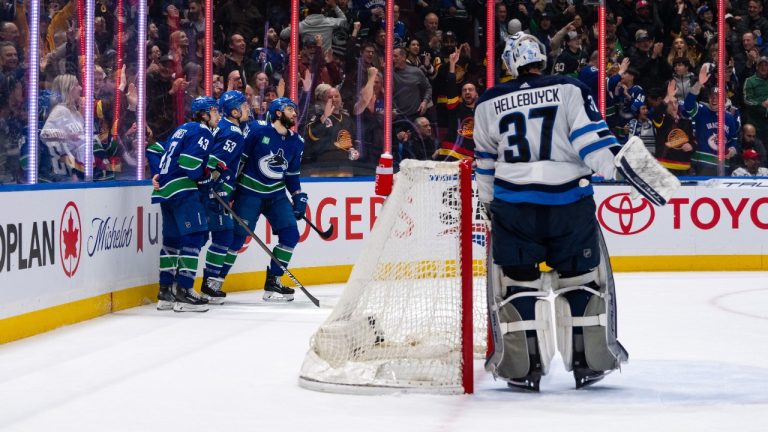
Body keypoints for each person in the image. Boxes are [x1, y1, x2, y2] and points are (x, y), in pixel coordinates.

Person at [474, 33, 632, 391]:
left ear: (509, 62)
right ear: (542, 58)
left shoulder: (488, 102)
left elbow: (484, 163)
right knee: (581, 281)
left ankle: (522, 368)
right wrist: (620, 167)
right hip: (569, 205)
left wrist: (488, 205)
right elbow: (594, 146)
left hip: (514, 207)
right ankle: (588, 363)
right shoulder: (569, 88)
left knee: (518, 286)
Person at [218, 97, 306, 302]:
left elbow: (292, 175)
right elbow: (240, 160)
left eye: (295, 110)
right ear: (277, 113)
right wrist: (230, 189)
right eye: (289, 109)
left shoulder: (297, 142)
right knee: (238, 238)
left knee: (291, 234)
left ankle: (273, 282)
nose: (294, 113)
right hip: (249, 192)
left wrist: (298, 196)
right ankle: (216, 281)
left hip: (276, 195)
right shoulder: (258, 131)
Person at [148, 96, 220, 312]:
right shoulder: (203, 131)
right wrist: (206, 180)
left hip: (165, 191)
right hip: (183, 190)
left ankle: (165, 292)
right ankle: (184, 291)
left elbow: (155, 149)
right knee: (194, 236)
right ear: (204, 114)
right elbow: (190, 164)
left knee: (172, 240)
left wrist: (158, 173)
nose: (218, 115)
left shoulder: (182, 129)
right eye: (215, 111)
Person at [199, 90, 249, 304]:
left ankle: (206, 282)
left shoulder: (225, 127)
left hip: (214, 188)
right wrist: (213, 187)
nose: (249, 109)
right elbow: (216, 161)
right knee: (223, 236)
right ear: (235, 111)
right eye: (245, 106)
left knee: (218, 236)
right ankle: (209, 283)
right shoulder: (233, 133)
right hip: (215, 189)